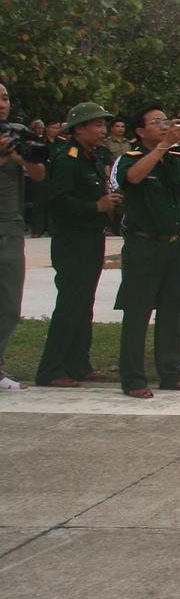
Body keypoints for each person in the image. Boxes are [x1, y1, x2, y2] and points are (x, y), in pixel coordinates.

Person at [112, 103, 180, 396]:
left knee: (172, 311)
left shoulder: (176, 158)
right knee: (137, 313)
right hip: (142, 245)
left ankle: (172, 373)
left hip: (173, 245)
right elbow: (133, 178)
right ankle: (133, 379)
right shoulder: (131, 157)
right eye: (156, 122)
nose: (164, 125)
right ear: (140, 131)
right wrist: (162, 146)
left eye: (166, 121)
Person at [35, 102, 120, 387]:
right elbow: (58, 201)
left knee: (85, 303)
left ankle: (78, 364)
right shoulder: (67, 158)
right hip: (72, 239)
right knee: (71, 303)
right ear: (79, 128)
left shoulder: (91, 156)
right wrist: (94, 207)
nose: (102, 130)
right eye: (96, 124)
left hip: (91, 238)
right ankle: (51, 369)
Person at [0, 82, 48, 390]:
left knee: (8, 304)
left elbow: (40, 175)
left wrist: (25, 157)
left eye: (4, 97)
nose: (2, 103)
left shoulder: (15, 134)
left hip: (10, 228)